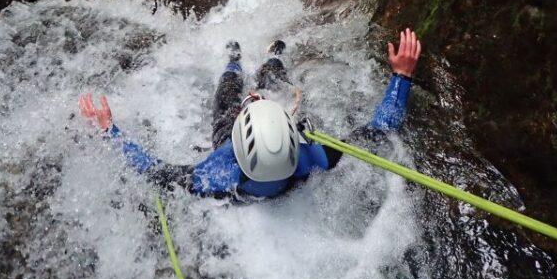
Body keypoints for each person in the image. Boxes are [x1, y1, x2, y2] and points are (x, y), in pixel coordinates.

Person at [80, 29, 422, 198]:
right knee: (271, 80)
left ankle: (233, 60)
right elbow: (379, 129)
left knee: (226, 93)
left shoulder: (216, 177)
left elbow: (153, 171)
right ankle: (272, 57)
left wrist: (110, 130)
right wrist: (402, 76)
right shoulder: (313, 159)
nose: (255, 100)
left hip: (237, 145)